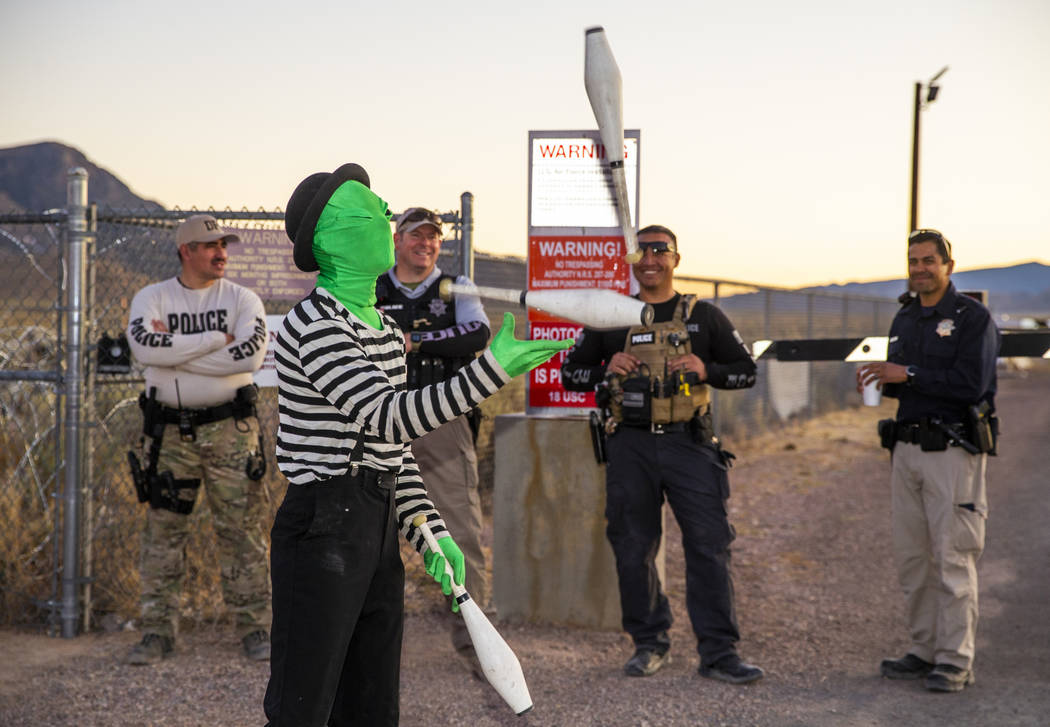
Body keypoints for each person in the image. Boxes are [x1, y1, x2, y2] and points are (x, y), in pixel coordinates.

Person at [265, 163, 571, 726]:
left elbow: (392, 452)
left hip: (374, 522)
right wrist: (490, 371)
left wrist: (425, 526)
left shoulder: (380, 326)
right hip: (322, 526)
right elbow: (387, 418)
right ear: (331, 238)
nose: (387, 216)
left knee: (373, 701)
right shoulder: (313, 324)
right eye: (371, 211)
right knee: (303, 705)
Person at [561, 225, 763, 684]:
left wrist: (705, 368)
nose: (650, 258)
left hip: (689, 443)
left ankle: (719, 652)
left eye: (660, 250)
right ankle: (649, 642)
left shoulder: (704, 316)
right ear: (632, 260)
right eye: (642, 250)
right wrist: (604, 368)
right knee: (633, 547)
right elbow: (570, 373)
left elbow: (746, 371)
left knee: (709, 546)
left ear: (675, 259)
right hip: (630, 445)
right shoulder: (611, 316)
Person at [124, 213, 271, 665]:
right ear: (186, 250)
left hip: (231, 430)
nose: (221, 252)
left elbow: (249, 355)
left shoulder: (243, 299)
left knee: (242, 531)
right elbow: (144, 348)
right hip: (169, 432)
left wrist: (176, 360)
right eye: (211, 245)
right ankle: (156, 631)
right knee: (164, 532)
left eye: (224, 244)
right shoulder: (153, 297)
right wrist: (213, 339)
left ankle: (255, 628)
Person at [857, 228, 999, 693]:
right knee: (913, 558)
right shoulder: (905, 318)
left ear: (948, 266)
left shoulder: (972, 318)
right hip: (907, 450)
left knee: (953, 557)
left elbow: (971, 384)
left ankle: (955, 660)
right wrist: (883, 381)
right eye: (913, 261)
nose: (920, 269)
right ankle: (923, 650)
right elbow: (906, 383)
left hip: (952, 451)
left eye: (928, 261)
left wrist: (909, 373)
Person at [375, 206, 491, 676]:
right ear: (396, 239)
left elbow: (477, 334)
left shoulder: (457, 285)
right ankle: (365, 639)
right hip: (381, 415)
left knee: (460, 531)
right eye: (415, 235)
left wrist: (413, 340)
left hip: (442, 415)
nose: (425, 243)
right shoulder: (372, 284)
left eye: (433, 237)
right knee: (371, 529)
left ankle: (476, 641)